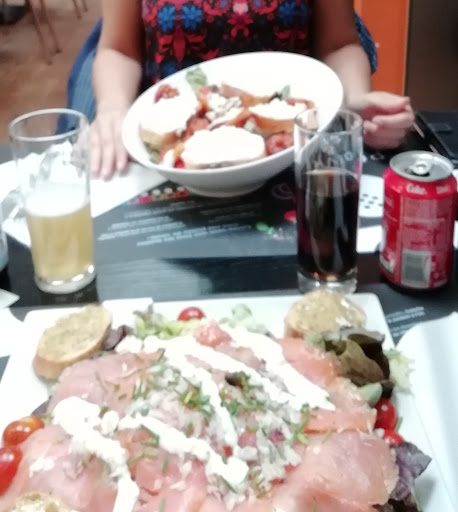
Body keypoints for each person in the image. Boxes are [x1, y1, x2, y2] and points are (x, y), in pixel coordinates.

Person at [90, 0, 414, 178]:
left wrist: (352, 102)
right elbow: (119, 49)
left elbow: (339, 43)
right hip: (171, 165)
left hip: (292, 161)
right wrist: (112, 107)